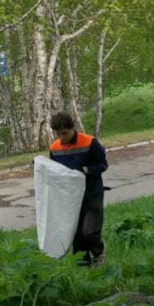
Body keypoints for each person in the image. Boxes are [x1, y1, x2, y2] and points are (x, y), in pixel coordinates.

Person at [49, 112, 108, 267]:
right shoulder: (54, 148)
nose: (62, 137)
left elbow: (103, 165)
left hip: (92, 192)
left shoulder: (89, 142)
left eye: (65, 133)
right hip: (71, 198)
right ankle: (84, 265)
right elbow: (55, 171)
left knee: (90, 231)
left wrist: (86, 170)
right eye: (58, 134)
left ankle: (98, 250)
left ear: (72, 128)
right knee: (76, 234)